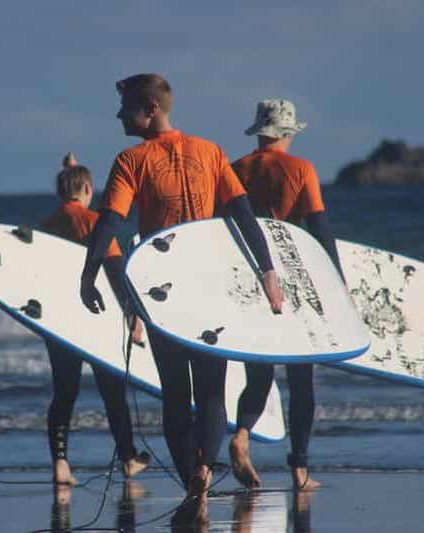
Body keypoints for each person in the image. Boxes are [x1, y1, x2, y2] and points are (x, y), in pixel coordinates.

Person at [78, 74, 284, 523]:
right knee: (211, 391)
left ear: (151, 109)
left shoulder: (131, 159)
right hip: (210, 286)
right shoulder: (211, 152)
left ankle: (193, 482)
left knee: (175, 392)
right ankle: (204, 475)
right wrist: (267, 269)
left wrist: (89, 274)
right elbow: (243, 215)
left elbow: (109, 221)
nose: (119, 115)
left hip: (163, 291)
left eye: (127, 108)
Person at [228, 98, 344, 492]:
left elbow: (222, 225)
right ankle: (299, 469)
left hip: (250, 278)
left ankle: (242, 434)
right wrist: (337, 284)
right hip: (293, 279)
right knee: (301, 381)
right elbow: (319, 228)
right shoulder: (301, 169)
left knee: (259, 375)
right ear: (287, 132)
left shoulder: (236, 169)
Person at [39, 157, 150, 486]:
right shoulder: (95, 223)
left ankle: (60, 463)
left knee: (64, 391)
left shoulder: (46, 225)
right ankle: (128, 457)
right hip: (97, 317)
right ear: (87, 188)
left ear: (60, 191)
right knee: (112, 390)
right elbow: (116, 275)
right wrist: (134, 316)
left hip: (59, 320)